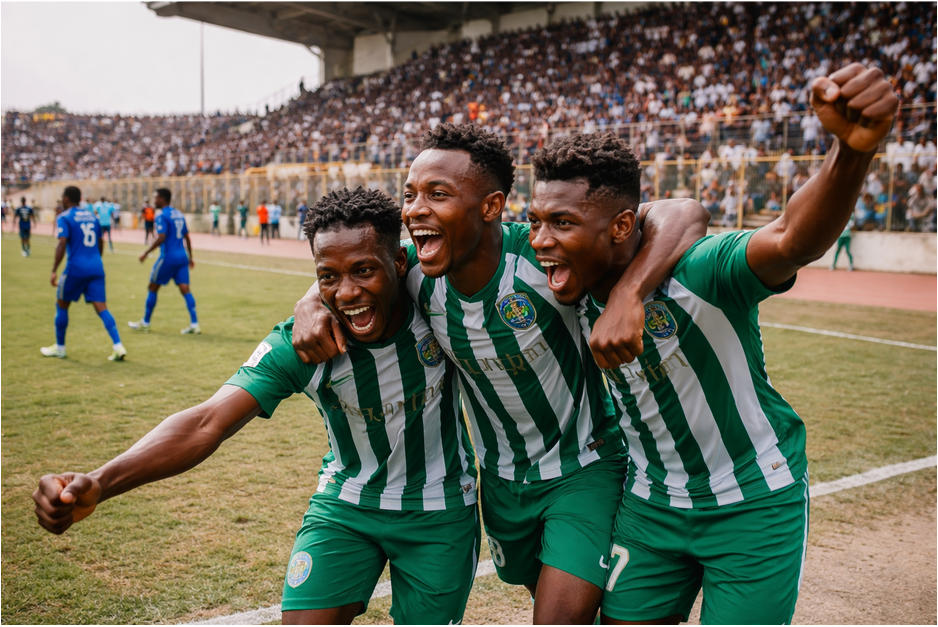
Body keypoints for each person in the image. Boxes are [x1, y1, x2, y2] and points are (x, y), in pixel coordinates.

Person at [525, 61, 898, 625]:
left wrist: (851, 152)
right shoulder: (562, 286)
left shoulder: (701, 272)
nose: (541, 241)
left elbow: (792, 237)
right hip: (649, 506)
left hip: (752, 502)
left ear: (621, 227)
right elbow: (683, 209)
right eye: (535, 222)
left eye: (561, 223)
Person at [291, 123, 709, 623]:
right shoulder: (422, 282)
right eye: (410, 195)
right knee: (543, 594)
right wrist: (311, 300)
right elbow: (358, 275)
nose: (415, 208)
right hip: (502, 483)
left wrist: (628, 293)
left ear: (490, 206)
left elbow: (682, 212)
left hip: (585, 467)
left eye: (437, 193)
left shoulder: (544, 258)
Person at [33, 186, 481, 626]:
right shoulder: (302, 343)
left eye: (364, 271)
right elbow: (206, 422)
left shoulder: (438, 301)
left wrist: (313, 292)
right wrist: (100, 481)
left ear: (399, 263)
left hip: (438, 511)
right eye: (328, 277)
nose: (346, 293)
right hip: (346, 506)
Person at [41, 186, 127, 361]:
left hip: (75, 268)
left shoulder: (64, 217)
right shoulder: (92, 217)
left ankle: (60, 348)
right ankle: (118, 345)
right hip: (96, 267)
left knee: (62, 305)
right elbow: (101, 242)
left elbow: (62, 244)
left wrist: (53, 270)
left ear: (66, 199)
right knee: (102, 307)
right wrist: (96, 259)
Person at [128, 188, 200, 334]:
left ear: (163, 198)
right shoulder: (178, 214)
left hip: (168, 257)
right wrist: (190, 258)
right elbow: (187, 237)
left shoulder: (162, 215)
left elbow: (161, 237)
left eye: (156, 198)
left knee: (152, 287)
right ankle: (195, 323)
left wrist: (146, 253)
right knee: (185, 289)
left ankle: (146, 322)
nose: (154, 201)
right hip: (182, 257)